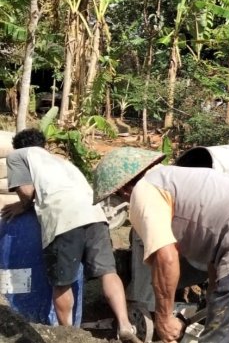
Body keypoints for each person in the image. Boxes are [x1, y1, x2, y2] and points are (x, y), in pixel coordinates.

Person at [93, 147, 229, 343]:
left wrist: (164, 318)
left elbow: (166, 257)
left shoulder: (145, 190)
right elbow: (215, 237)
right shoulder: (179, 178)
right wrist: (213, 296)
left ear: (124, 190)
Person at [0, 129, 141, 342]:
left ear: (19, 146)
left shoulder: (18, 155)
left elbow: (27, 193)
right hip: (95, 216)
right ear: (43, 145)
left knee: (61, 282)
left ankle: (68, 334)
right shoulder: (62, 162)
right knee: (107, 272)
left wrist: (22, 206)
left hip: (64, 219)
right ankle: (124, 325)